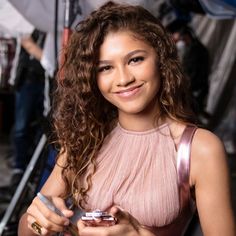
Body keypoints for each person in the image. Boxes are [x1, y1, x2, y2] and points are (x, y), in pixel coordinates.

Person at [18, 2, 235, 236]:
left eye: (135, 60)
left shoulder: (199, 149)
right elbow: (25, 230)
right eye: (105, 68)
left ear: (160, 58)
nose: (123, 79)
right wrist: (38, 221)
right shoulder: (85, 138)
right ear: (92, 77)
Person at [11, 29, 46, 185]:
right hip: (27, 80)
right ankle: (19, 168)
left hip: (46, 80)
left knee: (43, 127)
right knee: (21, 127)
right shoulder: (25, 22)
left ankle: (36, 167)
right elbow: (27, 44)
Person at [172, 25, 209, 117]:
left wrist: (190, 83)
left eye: (184, 38)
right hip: (193, 85)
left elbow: (199, 70)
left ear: (189, 36)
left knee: (195, 110)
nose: (183, 41)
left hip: (198, 85)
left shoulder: (198, 49)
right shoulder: (190, 48)